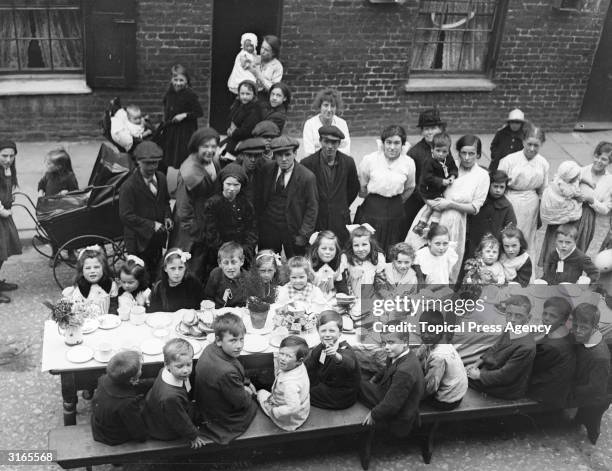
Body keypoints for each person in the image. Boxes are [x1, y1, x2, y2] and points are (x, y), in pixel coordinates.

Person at [407, 134, 490, 283]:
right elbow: (426, 183)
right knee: (418, 255)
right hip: (431, 213)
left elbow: (475, 207)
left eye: (471, 153)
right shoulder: (447, 164)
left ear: (478, 154)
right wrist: (428, 201)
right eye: (463, 153)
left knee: (444, 264)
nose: (467, 157)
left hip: (454, 222)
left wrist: (450, 204)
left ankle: (442, 298)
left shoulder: (482, 175)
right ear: (457, 152)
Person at [195, 313, 258, 444]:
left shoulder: (210, 348)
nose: (239, 345)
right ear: (218, 340)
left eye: (241, 339)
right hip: (221, 415)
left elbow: (234, 367)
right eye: (233, 340)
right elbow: (240, 402)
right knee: (253, 404)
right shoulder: (225, 372)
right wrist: (248, 392)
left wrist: (246, 382)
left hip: (208, 401)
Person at [359, 320, 424, 437]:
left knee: (357, 383)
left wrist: (374, 414)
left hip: (399, 414)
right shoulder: (398, 353)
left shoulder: (405, 371)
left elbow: (392, 405)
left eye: (390, 342)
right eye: (384, 343)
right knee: (361, 382)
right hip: (391, 393)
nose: (386, 347)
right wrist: (374, 379)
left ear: (404, 342)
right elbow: (386, 368)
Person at [256, 135, 318, 258]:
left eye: (288, 154)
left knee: (296, 266)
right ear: (274, 155)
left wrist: (304, 235)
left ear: (295, 154)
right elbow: (259, 197)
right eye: (279, 155)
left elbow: (312, 208)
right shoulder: (267, 169)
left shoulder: (307, 177)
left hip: (293, 231)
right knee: (267, 264)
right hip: (269, 228)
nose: (284, 159)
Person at [171, 128, 221, 281]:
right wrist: (194, 230)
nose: (210, 150)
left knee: (203, 261)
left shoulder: (212, 162)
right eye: (205, 146)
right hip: (191, 226)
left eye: (213, 146)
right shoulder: (189, 171)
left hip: (205, 219)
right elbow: (183, 207)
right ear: (196, 147)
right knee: (189, 261)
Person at [357, 125, 416, 252]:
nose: (392, 147)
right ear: (383, 143)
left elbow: (410, 187)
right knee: (368, 246)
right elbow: (363, 184)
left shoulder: (408, 163)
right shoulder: (370, 160)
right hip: (372, 209)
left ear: (403, 144)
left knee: (392, 248)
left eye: (397, 143)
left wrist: (398, 201)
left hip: (395, 210)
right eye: (388, 142)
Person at [466, 295, 536, 399]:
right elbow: (495, 347)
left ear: (528, 318)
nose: (512, 320)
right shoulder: (510, 328)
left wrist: (479, 375)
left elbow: (506, 376)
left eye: (518, 316)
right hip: (494, 371)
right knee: (464, 370)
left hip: (507, 388)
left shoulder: (526, 347)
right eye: (509, 314)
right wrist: (477, 363)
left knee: (459, 378)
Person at [119, 141, 172, 278]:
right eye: (147, 163)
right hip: (138, 240)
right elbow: (126, 216)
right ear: (138, 162)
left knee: (156, 269)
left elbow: (165, 202)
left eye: (155, 163)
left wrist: (167, 216)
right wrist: (152, 225)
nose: (152, 167)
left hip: (156, 238)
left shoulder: (161, 178)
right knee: (139, 274)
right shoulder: (129, 186)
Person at [498, 123, 549, 264]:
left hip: (531, 205)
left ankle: (524, 270)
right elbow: (498, 184)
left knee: (526, 238)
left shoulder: (543, 163)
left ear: (541, 145)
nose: (532, 149)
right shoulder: (509, 160)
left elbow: (542, 190)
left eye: (536, 145)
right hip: (511, 202)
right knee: (509, 236)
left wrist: (539, 214)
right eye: (529, 144)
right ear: (523, 141)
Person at [302, 125, 360, 245]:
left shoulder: (348, 163)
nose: (330, 146)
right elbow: (303, 194)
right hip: (317, 220)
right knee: (318, 252)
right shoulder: (307, 163)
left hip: (340, 219)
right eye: (326, 141)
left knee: (340, 252)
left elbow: (353, 188)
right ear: (320, 141)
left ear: (339, 144)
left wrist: (340, 205)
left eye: (334, 142)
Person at [143, 339, 206, 448]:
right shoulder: (170, 397)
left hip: (157, 413)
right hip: (165, 429)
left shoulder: (166, 371)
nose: (186, 370)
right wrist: (193, 436)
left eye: (189, 364)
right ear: (167, 365)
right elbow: (179, 420)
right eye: (179, 366)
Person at [202, 164, 257, 272]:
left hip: (242, 253)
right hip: (219, 253)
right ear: (222, 183)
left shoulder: (246, 204)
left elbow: (252, 230)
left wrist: (244, 250)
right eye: (228, 184)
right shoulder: (212, 204)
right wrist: (226, 252)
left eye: (236, 185)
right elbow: (211, 233)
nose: (232, 188)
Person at [91, 350, 152, 445]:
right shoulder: (127, 403)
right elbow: (138, 431)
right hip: (111, 435)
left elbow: (135, 385)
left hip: (98, 423)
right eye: (141, 368)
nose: (141, 369)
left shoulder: (104, 378)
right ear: (132, 379)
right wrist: (144, 437)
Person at [304, 310, 361, 409]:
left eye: (332, 331)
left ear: (340, 333)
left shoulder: (345, 349)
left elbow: (349, 363)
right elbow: (311, 362)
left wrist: (336, 356)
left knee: (306, 394)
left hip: (341, 393)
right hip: (328, 383)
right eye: (323, 331)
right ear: (318, 331)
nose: (327, 334)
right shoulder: (321, 346)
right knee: (303, 385)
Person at [571, 303, 611, 444]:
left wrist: (572, 390)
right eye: (575, 325)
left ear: (595, 328)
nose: (577, 331)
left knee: (592, 419)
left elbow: (596, 388)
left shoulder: (600, 357)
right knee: (582, 413)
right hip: (587, 385)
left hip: (599, 397)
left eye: (583, 328)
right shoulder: (585, 338)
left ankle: (593, 436)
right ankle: (579, 419)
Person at [403, 108, 447, 235]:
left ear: (440, 129)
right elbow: (412, 184)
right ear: (422, 131)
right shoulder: (415, 153)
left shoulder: (443, 147)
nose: (429, 132)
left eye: (433, 128)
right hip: (419, 203)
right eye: (426, 129)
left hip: (439, 202)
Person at [528, 296, 575, 407]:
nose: (546, 318)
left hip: (544, 393)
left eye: (552, 316)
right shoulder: (563, 333)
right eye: (545, 313)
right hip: (556, 386)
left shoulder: (551, 347)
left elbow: (531, 367)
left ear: (563, 320)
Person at [257, 335, 310, 431]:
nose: (282, 358)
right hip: (302, 408)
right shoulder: (299, 365)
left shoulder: (290, 385)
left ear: (299, 361)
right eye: (281, 353)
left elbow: (293, 408)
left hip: (289, 419)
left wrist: (274, 411)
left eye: (288, 356)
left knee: (260, 393)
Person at [417, 310, 468, 410]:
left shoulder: (439, 356)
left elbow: (430, 388)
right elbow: (419, 354)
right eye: (422, 331)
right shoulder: (434, 341)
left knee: (409, 398)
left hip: (447, 400)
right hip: (455, 392)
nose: (425, 336)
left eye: (430, 332)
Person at [412, 132, 458, 237]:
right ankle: (433, 226)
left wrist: (452, 176)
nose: (441, 154)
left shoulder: (448, 159)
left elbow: (454, 169)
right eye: (438, 151)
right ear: (432, 149)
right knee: (437, 207)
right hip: (428, 188)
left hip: (438, 188)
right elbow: (427, 177)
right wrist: (442, 181)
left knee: (429, 208)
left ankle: (420, 225)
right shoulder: (429, 162)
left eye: (444, 151)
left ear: (448, 151)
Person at [159, 64, 204, 171]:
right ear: (171, 79)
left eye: (181, 80)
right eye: (175, 80)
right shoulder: (169, 94)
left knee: (182, 155)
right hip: (172, 130)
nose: (178, 83)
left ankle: (184, 175)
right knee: (170, 156)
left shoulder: (190, 94)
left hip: (185, 131)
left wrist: (184, 115)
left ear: (187, 81)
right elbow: (166, 109)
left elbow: (199, 112)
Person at [539, 160, 583, 266]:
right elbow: (572, 196)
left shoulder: (559, 180)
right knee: (558, 246)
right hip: (561, 220)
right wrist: (578, 198)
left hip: (558, 222)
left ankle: (556, 268)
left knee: (559, 245)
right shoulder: (563, 187)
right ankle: (553, 268)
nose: (577, 179)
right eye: (574, 178)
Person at [465, 170, 516, 259]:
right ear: (488, 185)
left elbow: (511, 226)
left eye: (501, 187)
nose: (498, 190)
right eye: (495, 186)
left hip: (493, 247)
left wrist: (501, 238)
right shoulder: (479, 201)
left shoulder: (507, 206)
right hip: (473, 242)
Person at [575, 141, 612, 253]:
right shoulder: (580, 171)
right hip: (571, 213)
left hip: (588, 219)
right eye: (597, 156)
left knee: (578, 252)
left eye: (604, 159)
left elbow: (606, 209)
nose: (599, 161)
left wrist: (592, 201)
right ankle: (558, 271)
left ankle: (574, 271)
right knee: (563, 248)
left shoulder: (610, 181)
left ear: (609, 162)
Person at [62, 245, 118, 315]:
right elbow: (77, 309)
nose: (92, 271)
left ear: (103, 268)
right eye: (88, 268)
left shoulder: (110, 284)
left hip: (106, 321)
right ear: (82, 270)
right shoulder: (79, 287)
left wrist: (112, 317)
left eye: (96, 267)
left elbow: (114, 304)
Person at [339, 224, 386, 300]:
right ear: (351, 246)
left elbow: (381, 282)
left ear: (371, 244)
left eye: (364, 244)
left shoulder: (377, 258)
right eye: (356, 245)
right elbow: (341, 282)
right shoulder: (346, 259)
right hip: (351, 298)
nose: (360, 249)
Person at [0, 141, 21, 303]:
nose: (8, 159)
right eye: (4, 156)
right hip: (2, 214)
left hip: (4, 216)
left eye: (11, 156)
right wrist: (3, 211)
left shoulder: (8, 169)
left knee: (3, 251)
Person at [302, 88, 351, 156]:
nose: (329, 110)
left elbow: (346, 150)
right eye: (326, 105)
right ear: (320, 106)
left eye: (333, 106)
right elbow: (309, 152)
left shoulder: (342, 123)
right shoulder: (310, 124)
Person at [204, 242, 250, 308]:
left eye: (234, 262)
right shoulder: (216, 274)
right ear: (220, 263)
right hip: (218, 312)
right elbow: (208, 296)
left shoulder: (248, 279)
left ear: (242, 261)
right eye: (226, 263)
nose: (230, 267)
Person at [223, 80, 262, 157]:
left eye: (248, 94)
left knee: (224, 156)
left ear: (254, 95)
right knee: (217, 149)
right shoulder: (238, 104)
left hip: (244, 140)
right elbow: (230, 118)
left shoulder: (254, 110)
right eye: (242, 93)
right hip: (234, 136)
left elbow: (247, 131)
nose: (244, 96)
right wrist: (229, 129)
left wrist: (233, 132)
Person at [308, 230, 348, 300]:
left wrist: (342, 295)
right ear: (316, 249)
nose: (327, 252)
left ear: (336, 250)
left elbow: (342, 288)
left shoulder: (338, 266)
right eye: (324, 248)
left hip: (332, 302)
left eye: (331, 249)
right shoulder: (310, 266)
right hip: (313, 302)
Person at [248, 35, 283, 100]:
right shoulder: (255, 59)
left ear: (273, 53)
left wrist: (259, 75)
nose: (262, 51)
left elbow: (274, 90)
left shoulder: (277, 66)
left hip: (264, 99)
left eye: (266, 50)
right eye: (262, 47)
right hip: (248, 96)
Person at [234, 136, 267, 202]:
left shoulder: (262, 172)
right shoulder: (233, 172)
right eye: (249, 156)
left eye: (256, 156)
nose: (253, 160)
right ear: (242, 156)